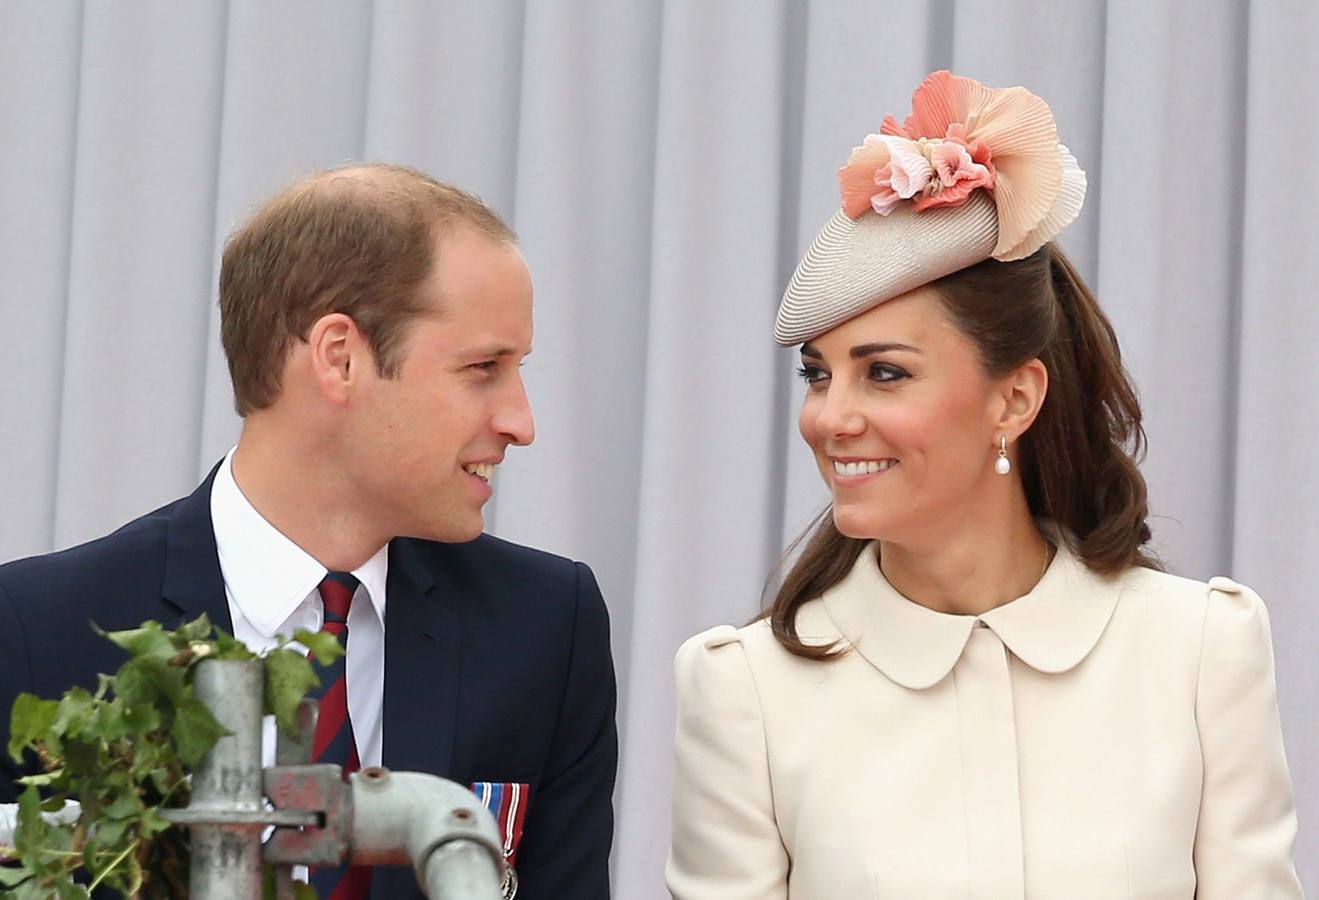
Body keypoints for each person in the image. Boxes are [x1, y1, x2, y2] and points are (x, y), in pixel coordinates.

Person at [667, 72, 1301, 898]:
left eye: (884, 373)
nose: (831, 418)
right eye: (818, 376)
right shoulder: (742, 689)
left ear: (1015, 397)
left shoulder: (1200, 650)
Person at [0, 164, 617, 899]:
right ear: (339, 357)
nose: (521, 422)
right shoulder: (36, 628)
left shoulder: (546, 624)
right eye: (484, 367)